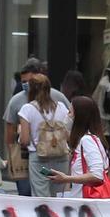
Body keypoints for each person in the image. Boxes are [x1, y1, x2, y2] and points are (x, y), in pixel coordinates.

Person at [15, 72, 71, 201]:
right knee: (58, 195)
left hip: (41, 161)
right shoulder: (61, 107)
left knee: (41, 196)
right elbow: (67, 135)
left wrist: (20, 134)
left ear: (31, 88)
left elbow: (24, 140)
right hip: (61, 158)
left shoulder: (27, 109)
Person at [49, 96, 110, 198]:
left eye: (70, 112)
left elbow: (97, 175)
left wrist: (66, 178)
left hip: (86, 202)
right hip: (82, 201)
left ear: (79, 117)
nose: (67, 116)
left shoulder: (87, 140)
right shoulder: (86, 140)